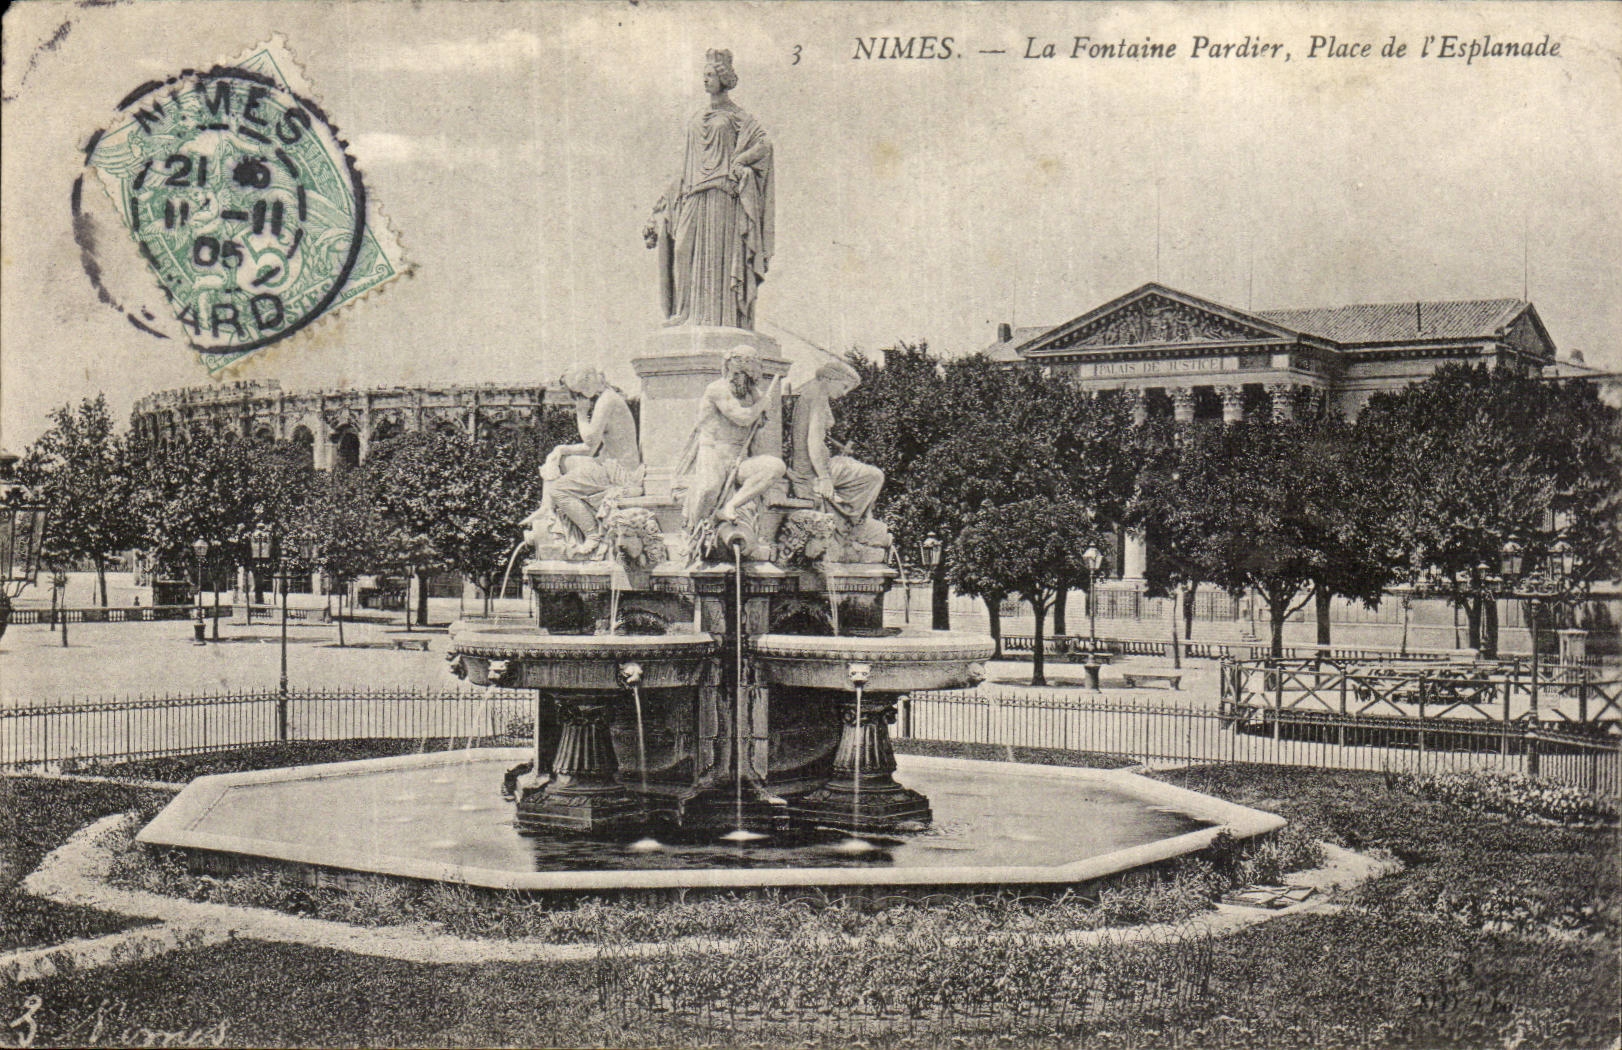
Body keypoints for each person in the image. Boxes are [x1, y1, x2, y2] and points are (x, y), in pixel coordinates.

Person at [644, 49, 773, 330]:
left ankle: (721, 318)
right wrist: (659, 207)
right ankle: (685, 312)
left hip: (721, 196)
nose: (706, 80)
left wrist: (740, 160)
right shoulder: (696, 117)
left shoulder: (738, 117)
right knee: (683, 251)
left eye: (711, 75)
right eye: (704, 75)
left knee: (717, 261)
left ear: (724, 78)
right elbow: (687, 164)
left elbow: (764, 146)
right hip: (692, 194)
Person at [524, 365, 643, 558]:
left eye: (580, 390)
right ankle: (545, 508)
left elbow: (590, 442)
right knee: (557, 459)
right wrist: (560, 449)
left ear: (589, 379)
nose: (581, 395)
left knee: (559, 490)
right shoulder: (609, 398)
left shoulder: (607, 401)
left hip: (618, 471)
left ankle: (592, 534)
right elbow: (590, 448)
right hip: (609, 464)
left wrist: (581, 414)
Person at [676, 346, 785, 555]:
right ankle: (692, 532)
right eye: (732, 372)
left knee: (775, 467)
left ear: (751, 375)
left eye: (741, 374)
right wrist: (762, 405)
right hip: (713, 451)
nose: (735, 378)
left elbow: (756, 436)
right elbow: (742, 418)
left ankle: (731, 506)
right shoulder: (717, 389)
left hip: (739, 457)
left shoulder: (754, 395)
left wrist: (760, 405)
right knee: (709, 488)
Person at [787, 359, 888, 548]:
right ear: (831, 378)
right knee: (874, 476)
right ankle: (855, 525)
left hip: (816, 466)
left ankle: (854, 521)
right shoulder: (817, 395)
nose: (844, 394)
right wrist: (824, 478)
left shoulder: (811, 393)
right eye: (844, 386)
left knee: (857, 468)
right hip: (813, 470)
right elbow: (813, 441)